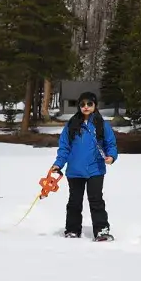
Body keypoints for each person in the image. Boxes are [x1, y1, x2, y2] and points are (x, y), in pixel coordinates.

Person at [49, 91, 118, 241]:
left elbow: (111, 144)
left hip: (96, 169)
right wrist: (58, 164)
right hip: (75, 170)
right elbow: (64, 147)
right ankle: (72, 230)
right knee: (74, 201)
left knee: (96, 200)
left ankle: (101, 231)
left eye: (89, 104)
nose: (86, 107)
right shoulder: (71, 125)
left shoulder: (102, 125)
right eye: (82, 104)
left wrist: (111, 156)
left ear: (95, 105)